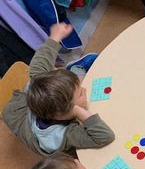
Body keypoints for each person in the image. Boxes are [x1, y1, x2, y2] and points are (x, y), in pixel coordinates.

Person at [2, 23, 114, 156]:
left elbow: (40, 62)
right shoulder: (63, 135)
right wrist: (79, 112)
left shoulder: (39, 82)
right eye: (80, 94)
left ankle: (74, 71)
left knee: (39, 73)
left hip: (22, 108)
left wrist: (55, 37)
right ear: (63, 113)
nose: (84, 89)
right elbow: (105, 136)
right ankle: (77, 71)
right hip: (19, 118)